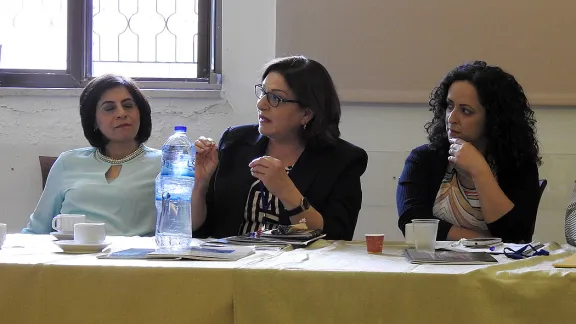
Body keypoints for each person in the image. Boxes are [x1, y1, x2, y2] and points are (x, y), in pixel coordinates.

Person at [192, 56, 368, 240]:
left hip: (296, 266)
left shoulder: (343, 159)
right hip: (231, 264)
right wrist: (200, 183)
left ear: (306, 114)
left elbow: (336, 237)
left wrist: (286, 191)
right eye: (262, 92)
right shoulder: (235, 142)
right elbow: (200, 229)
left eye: (275, 98)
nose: (261, 104)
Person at [396, 61, 541, 243]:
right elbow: (412, 223)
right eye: (450, 106)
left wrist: (479, 170)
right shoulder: (423, 158)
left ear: (494, 118)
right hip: (435, 267)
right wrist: (483, 241)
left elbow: (516, 235)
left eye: (466, 111)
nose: (452, 118)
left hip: (496, 270)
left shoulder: (519, 164)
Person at [23, 74, 161, 236]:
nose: (122, 113)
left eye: (129, 105)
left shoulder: (165, 162)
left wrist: (200, 180)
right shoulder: (68, 162)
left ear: (140, 113)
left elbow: (185, 224)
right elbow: (37, 229)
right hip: (70, 257)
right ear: (94, 120)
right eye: (109, 108)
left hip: (131, 259)